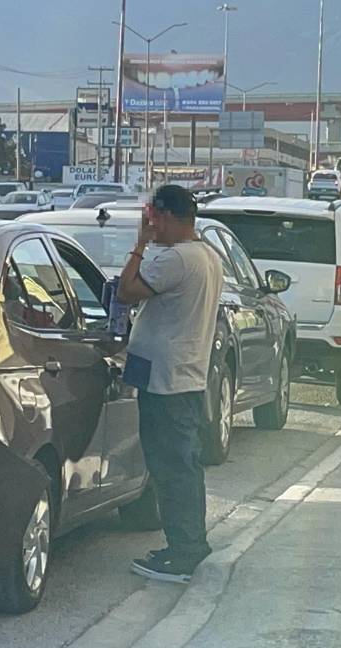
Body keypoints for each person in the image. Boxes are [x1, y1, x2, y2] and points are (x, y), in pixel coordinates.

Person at [117, 184, 223, 583]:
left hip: (168, 379)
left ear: (170, 217)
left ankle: (184, 552)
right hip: (181, 375)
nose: (151, 224)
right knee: (181, 467)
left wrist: (139, 245)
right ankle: (188, 543)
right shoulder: (207, 256)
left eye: (155, 218)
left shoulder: (177, 259)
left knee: (172, 469)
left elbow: (127, 291)